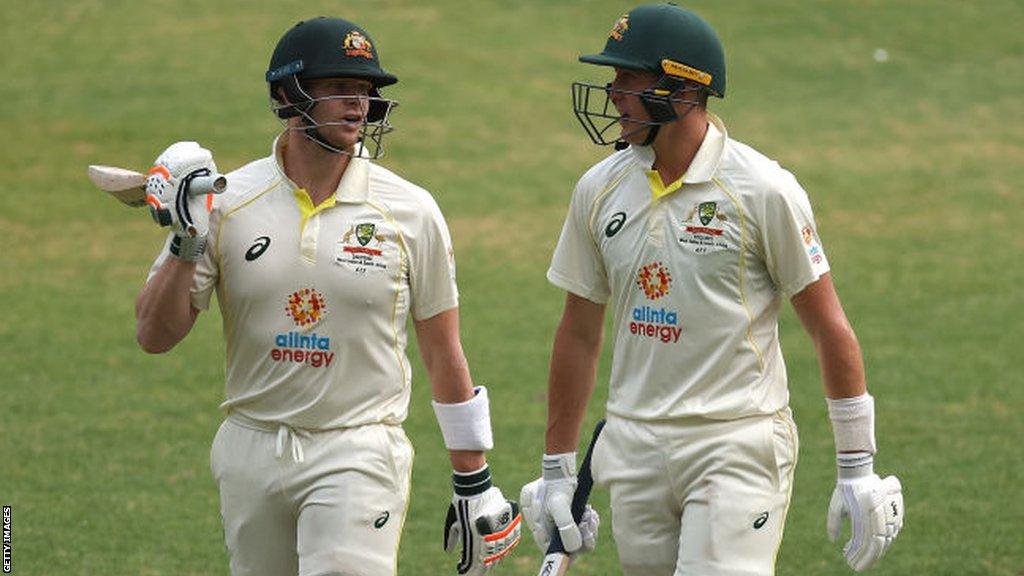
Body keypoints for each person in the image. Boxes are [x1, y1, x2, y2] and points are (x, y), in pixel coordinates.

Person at [519, 4, 903, 575]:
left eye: (629, 77)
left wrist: (856, 464)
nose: (613, 92)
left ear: (682, 88)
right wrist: (556, 467)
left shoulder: (763, 190)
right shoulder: (598, 189)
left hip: (737, 443)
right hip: (633, 443)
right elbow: (578, 333)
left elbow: (828, 327)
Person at [134, 17, 520, 576]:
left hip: (357, 449)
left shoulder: (410, 211)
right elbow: (154, 336)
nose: (358, 105)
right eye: (339, 89)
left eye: (365, 92)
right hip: (251, 445)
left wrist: (474, 478)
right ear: (288, 97)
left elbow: (443, 349)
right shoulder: (228, 202)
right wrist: (184, 240)